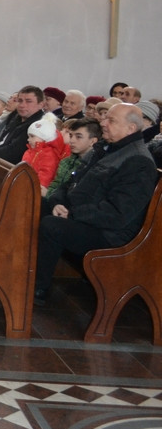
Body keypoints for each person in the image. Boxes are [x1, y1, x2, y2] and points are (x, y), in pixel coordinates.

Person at [34, 103, 159, 306]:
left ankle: (38, 287)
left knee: (52, 226)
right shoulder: (103, 149)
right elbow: (71, 182)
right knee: (34, 205)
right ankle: (20, 269)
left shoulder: (138, 162)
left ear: (131, 129)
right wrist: (58, 202)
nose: (103, 123)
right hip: (82, 217)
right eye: (105, 118)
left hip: (109, 234)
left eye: (111, 120)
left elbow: (118, 214)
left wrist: (72, 214)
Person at [0, 85, 45, 163]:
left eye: (28, 101)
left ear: (41, 105)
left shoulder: (38, 125)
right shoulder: (15, 117)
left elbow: (13, 152)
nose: (22, 105)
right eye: (20, 100)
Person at [46, 117, 100, 197]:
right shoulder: (66, 162)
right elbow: (55, 184)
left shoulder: (94, 166)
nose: (71, 141)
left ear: (93, 141)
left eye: (78, 137)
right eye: (71, 136)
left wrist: (48, 194)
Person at [21, 116, 68, 195]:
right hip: (24, 185)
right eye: (29, 136)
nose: (28, 139)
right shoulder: (29, 151)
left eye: (32, 136)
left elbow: (46, 173)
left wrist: (37, 187)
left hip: (35, 190)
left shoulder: (49, 154)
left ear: (45, 137)